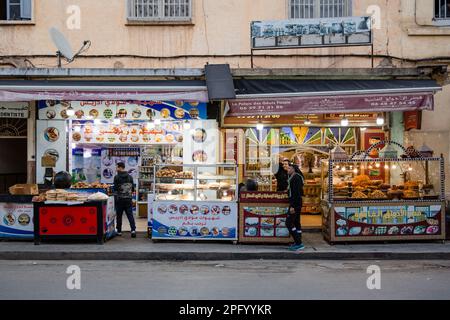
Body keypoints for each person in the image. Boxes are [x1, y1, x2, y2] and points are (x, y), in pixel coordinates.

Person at [113, 162, 136, 238]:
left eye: (117, 167)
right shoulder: (130, 177)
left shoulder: (116, 177)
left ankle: (119, 231)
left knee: (119, 216)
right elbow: (133, 189)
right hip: (128, 199)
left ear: (120, 167)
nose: (116, 169)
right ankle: (133, 230)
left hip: (119, 200)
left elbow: (115, 189)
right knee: (130, 215)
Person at [286, 162, 305, 251]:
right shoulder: (294, 177)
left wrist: (292, 206)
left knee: (289, 223)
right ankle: (298, 241)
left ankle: (299, 243)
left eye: (289, 168)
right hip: (296, 202)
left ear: (293, 169)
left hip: (295, 203)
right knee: (297, 222)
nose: (287, 170)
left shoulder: (296, 178)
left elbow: (296, 193)